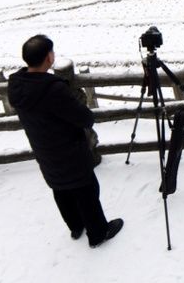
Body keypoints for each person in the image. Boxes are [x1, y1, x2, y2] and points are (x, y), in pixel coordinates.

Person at [8, 34, 123, 247]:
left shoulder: (16, 85)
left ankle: (75, 225)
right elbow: (84, 118)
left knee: (59, 187)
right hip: (68, 149)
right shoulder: (52, 89)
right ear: (48, 58)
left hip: (43, 148)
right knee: (86, 189)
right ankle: (98, 233)